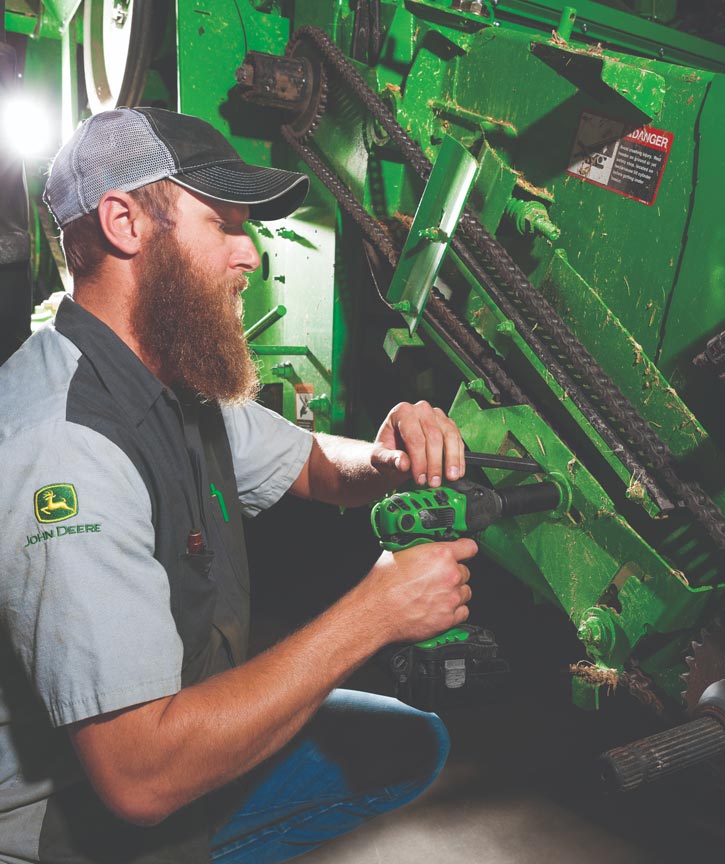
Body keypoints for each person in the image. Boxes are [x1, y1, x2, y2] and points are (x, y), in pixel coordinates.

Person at [0, 107, 478, 864]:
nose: (251, 254)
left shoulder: (167, 379)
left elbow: (314, 465)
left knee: (404, 742)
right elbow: (138, 782)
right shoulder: (67, 449)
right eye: (223, 223)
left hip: (168, 742)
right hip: (80, 825)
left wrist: (387, 458)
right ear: (124, 221)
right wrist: (375, 614)